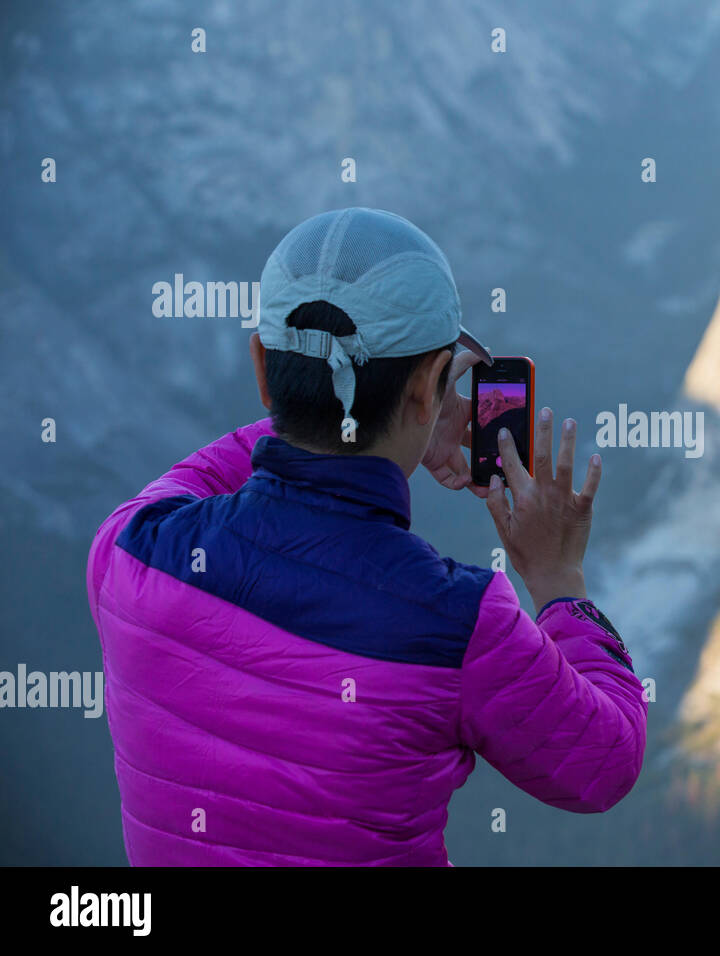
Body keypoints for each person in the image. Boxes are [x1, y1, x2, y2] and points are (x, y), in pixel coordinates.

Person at [85, 207, 647, 865]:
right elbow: (603, 764)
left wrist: (363, 415)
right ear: (430, 387)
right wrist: (557, 579)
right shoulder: (460, 625)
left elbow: (216, 467)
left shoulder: (131, 553)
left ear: (262, 367)